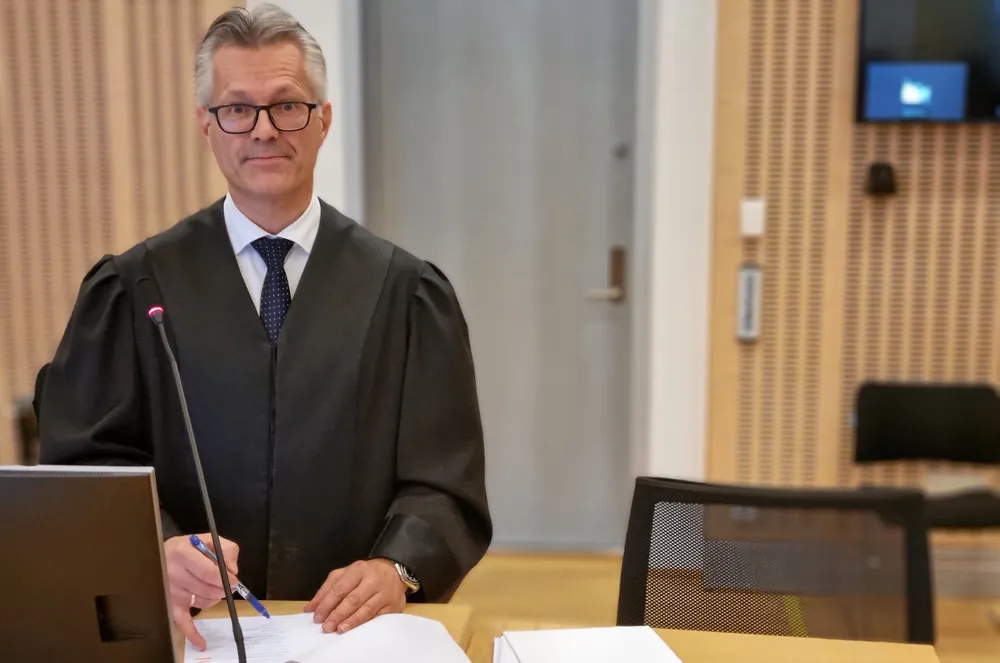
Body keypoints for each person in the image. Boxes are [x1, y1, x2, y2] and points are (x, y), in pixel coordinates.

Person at [36, 3, 491, 651]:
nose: (264, 129)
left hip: (351, 635)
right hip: (191, 631)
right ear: (206, 124)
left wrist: (396, 567)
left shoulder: (406, 293)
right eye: (237, 108)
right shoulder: (135, 288)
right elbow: (87, 464)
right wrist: (155, 547)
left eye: (287, 106)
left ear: (323, 119)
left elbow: (444, 481)